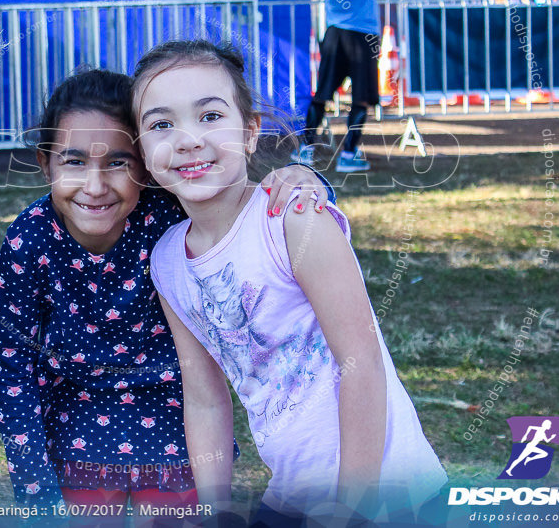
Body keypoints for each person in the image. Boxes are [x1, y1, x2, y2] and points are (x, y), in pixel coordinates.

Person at [0, 68, 335, 520]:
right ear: (44, 163)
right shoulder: (28, 239)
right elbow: (11, 366)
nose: (95, 187)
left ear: (146, 165)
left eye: (117, 162)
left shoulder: (170, 215)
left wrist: (305, 180)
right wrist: (36, 492)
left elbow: (244, 206)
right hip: (77, 438)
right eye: (73, 162)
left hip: (180, 431)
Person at [132, 40, 448, 525]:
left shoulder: (292, 220)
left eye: (211, 116)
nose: (187, 139)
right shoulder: (168, 261)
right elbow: (204, 395)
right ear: (143, 150)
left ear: (251, 132)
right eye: (161, 124)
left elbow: (360, 363)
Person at [301, 0, 412, 173]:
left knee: (323, 93)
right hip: (362, 36)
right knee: (361, 97)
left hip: (334, 33)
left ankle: (303, 149)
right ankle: (348, 154)